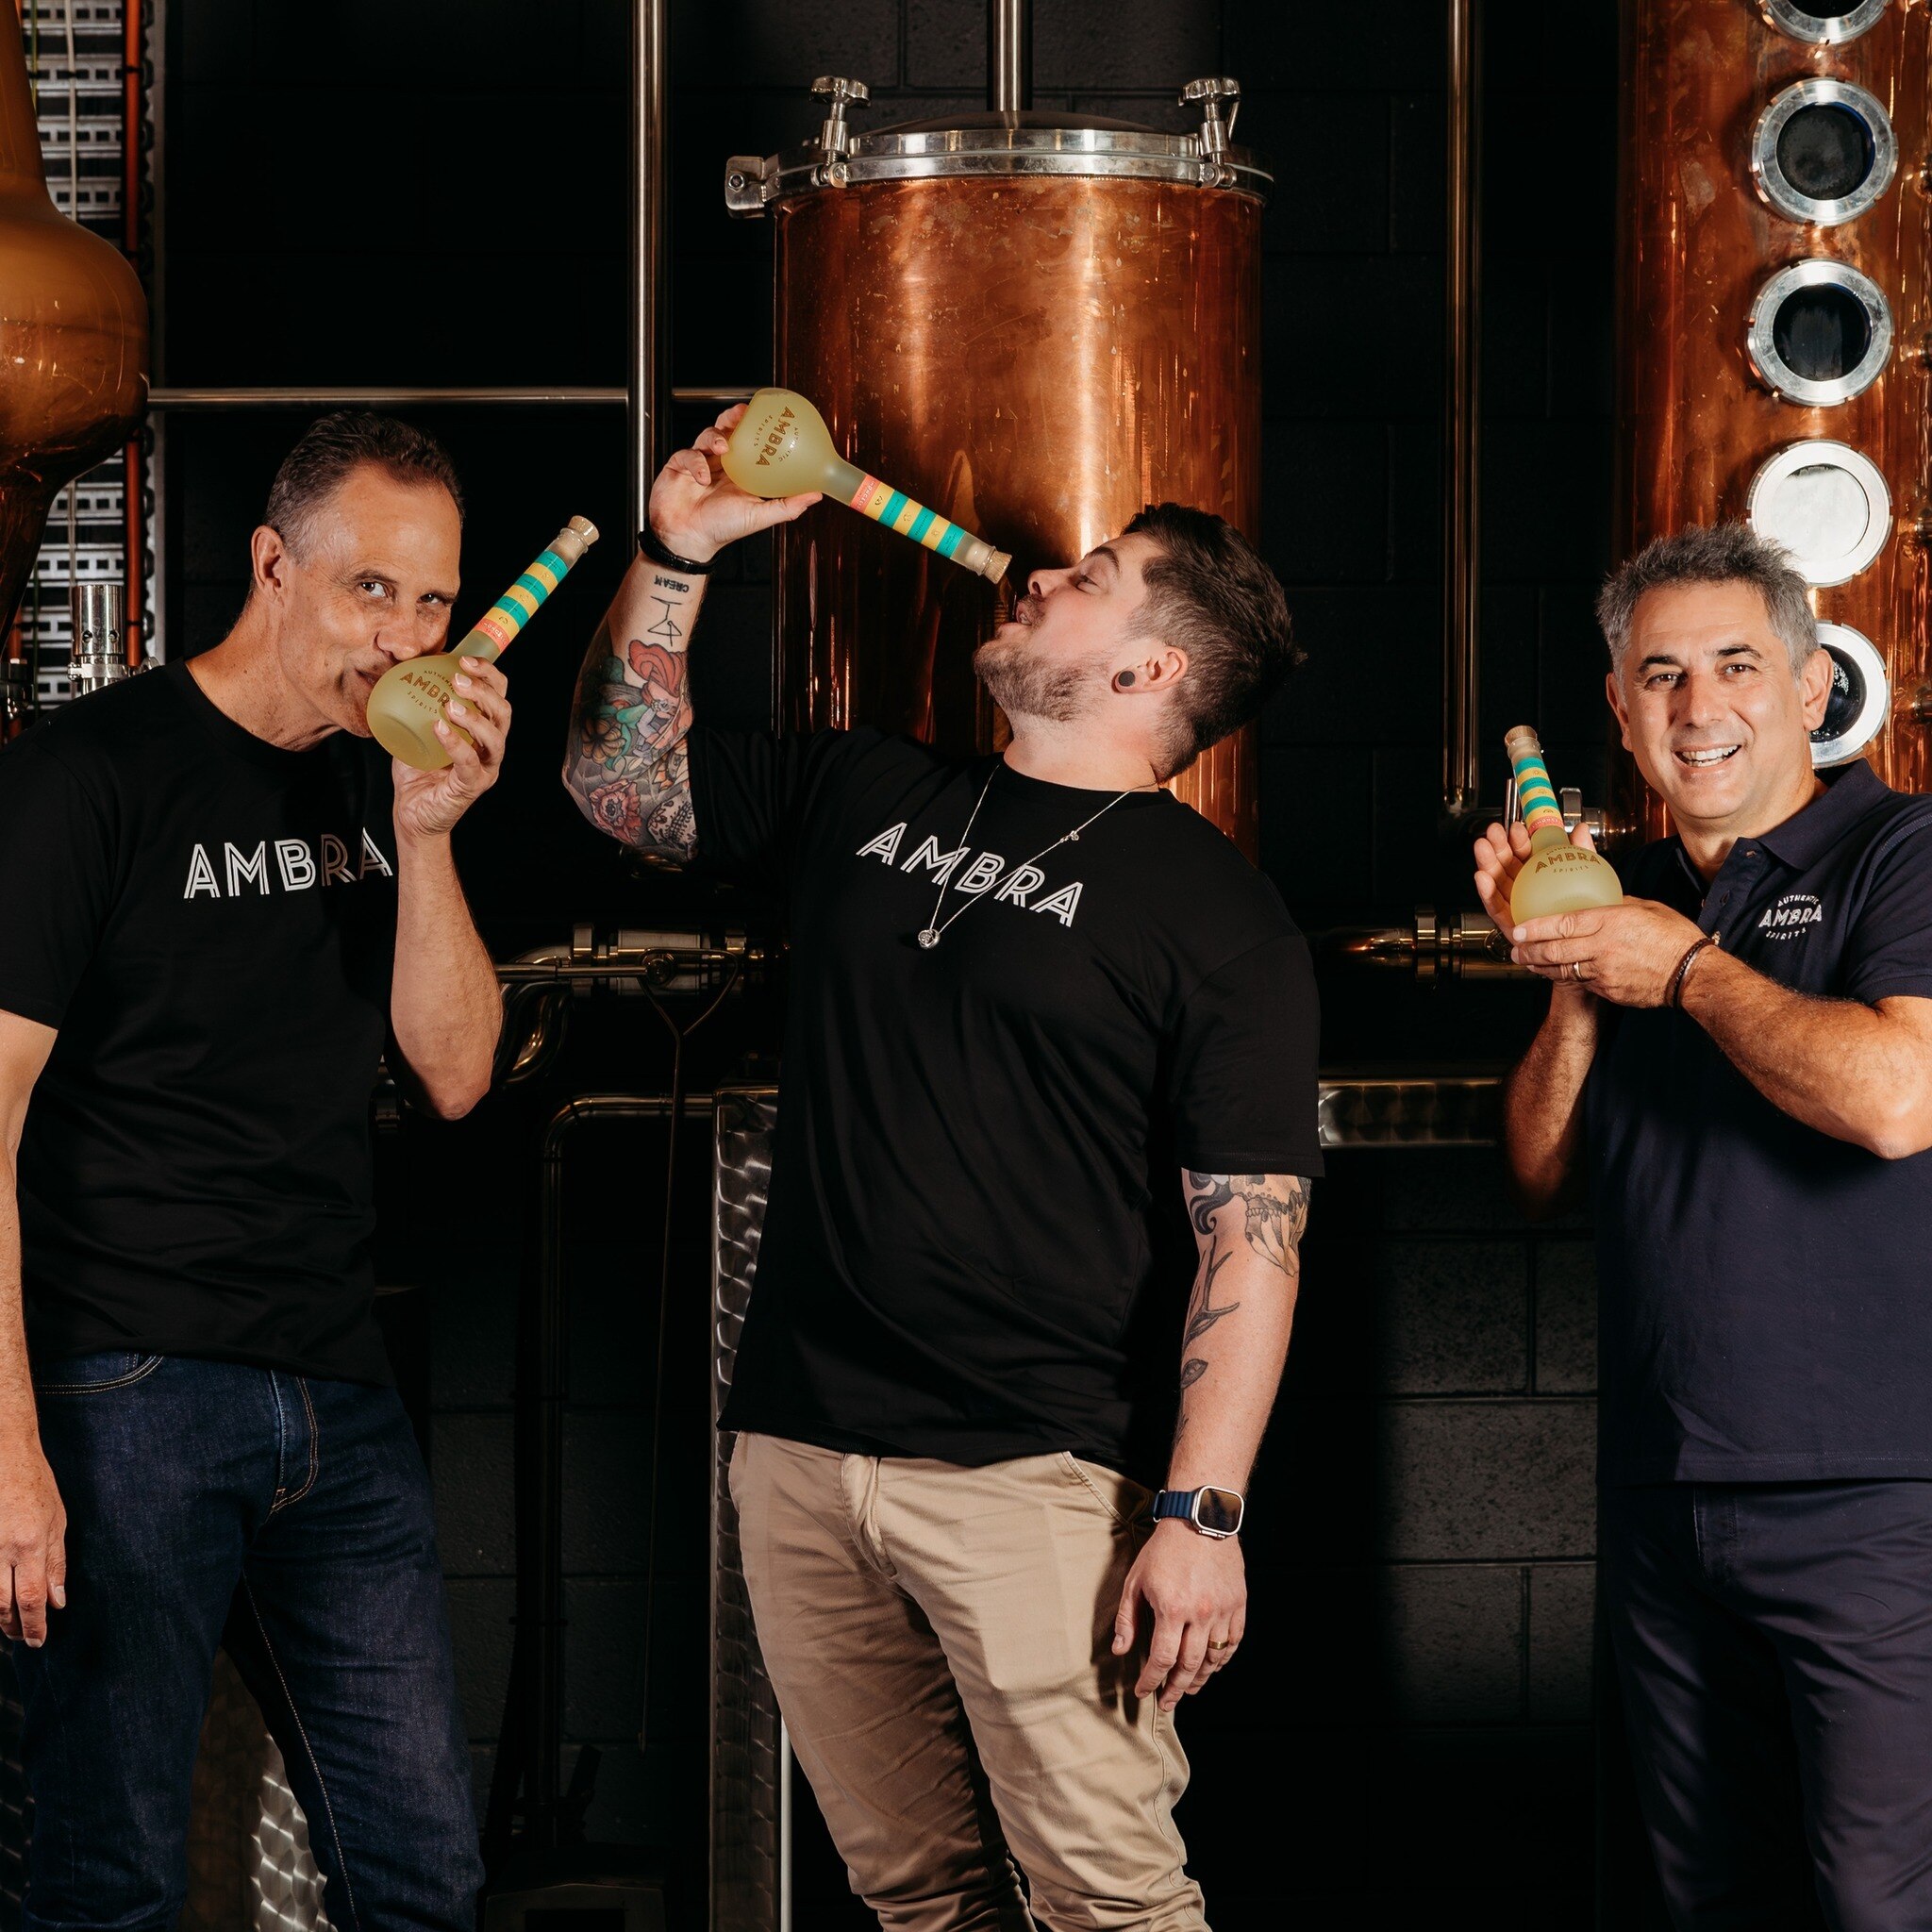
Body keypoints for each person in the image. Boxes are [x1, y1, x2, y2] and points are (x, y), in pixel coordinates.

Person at [565, 406, 1321, 1929]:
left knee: (1108, 1902)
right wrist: (678, 551)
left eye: (1094, 576)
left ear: (1148, 670)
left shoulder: (1219, 919)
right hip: (798, 1450)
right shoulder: (872, 791)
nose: (1042, 578)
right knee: (917, 1896)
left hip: (1036, 1483)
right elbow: (620, 792)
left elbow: (1254, 1241)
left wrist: (1203, 1512)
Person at [0, 412, 504, 1930]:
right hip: (121, 1392)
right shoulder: (87, 777)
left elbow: (459, 1070)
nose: (402, 639)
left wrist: (430, 837)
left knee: (424, 1875)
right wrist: (7, 1443)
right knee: (110, 1879)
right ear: (274, 567)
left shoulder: (384, 780)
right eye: (370, 593)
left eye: (432, 604)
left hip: (334, 1394)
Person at [1474, 523, 1932, 1930]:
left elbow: (1898, 1099)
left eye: (1736, 665)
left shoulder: (1900, 847)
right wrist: (1570, 965)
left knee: (1875, 1902)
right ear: (1619, 708)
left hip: (1873, 1493)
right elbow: (1541, 1179)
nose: (1697, 707)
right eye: (1658, 675)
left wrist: (1687, 971)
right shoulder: (1631, 898)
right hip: (1668, 1485)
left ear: (1810, 685)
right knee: (1690, 1900)